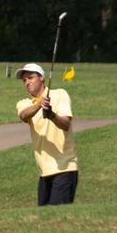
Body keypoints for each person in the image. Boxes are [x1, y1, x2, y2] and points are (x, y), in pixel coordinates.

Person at [14, 62, 78, 205]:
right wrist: (39, 104)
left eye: (30, 78)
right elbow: (24, 115)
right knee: (43, 220)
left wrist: (51, 115)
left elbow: (66, 124)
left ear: (41, 77)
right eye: (24, 80)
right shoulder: (24, 103)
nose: (27, 82)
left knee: (57, 217)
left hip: (64, 168)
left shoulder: (60, 94)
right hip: (44, 173)